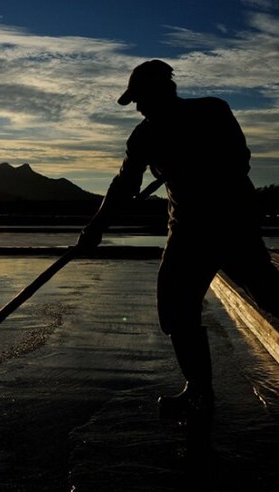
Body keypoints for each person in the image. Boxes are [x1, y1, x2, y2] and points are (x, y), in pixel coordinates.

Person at [77, 59, 279, 417]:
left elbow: (239, 161)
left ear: (162, 92)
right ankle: (199, 392)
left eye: (140, 98)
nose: (137, 106)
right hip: (185, 231)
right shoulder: (143, 136)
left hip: (232, 223)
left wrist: (190, 162)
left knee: (269, 294)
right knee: (174, 307)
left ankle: (199, 393)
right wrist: (95, 227)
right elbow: (124, 185)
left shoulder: (213, 111)